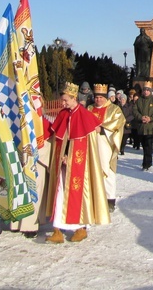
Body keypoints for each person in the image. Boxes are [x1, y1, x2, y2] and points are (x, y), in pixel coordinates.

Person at [45, 83, 109, 244]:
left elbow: (89, 140)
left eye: (66, 100)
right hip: (62, 163)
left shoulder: (84, 114)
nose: (63, 103)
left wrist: (70, 156)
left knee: (77, 194)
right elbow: (56, 133)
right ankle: (57, 230)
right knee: (59, 194)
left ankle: (80, 228)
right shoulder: (63, 114)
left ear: (74, 98)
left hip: (78, 165)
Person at [89, 84, 125, 213]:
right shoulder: (89, 108)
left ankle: (110, 200)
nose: (98, 99)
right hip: (91, 143)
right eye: (96, 97)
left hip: (106, 144)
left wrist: (103, 129)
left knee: (107, 171)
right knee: (92, 170)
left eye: (100, 97)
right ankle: (94, 198)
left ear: (106, 98)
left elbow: (119, 122)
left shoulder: (114, 109)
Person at [133, 82, 153, 171]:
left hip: (151, 127)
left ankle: (147, 163)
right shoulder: (139, 100)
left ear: (150, 91)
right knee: (144, 145)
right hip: (142, 127)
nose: (146, 92)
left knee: (148, 146)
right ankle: (146, 161)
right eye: (144, 90)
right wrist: (141, 117)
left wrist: (151, 118)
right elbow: (135, 110)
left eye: (147, 90)